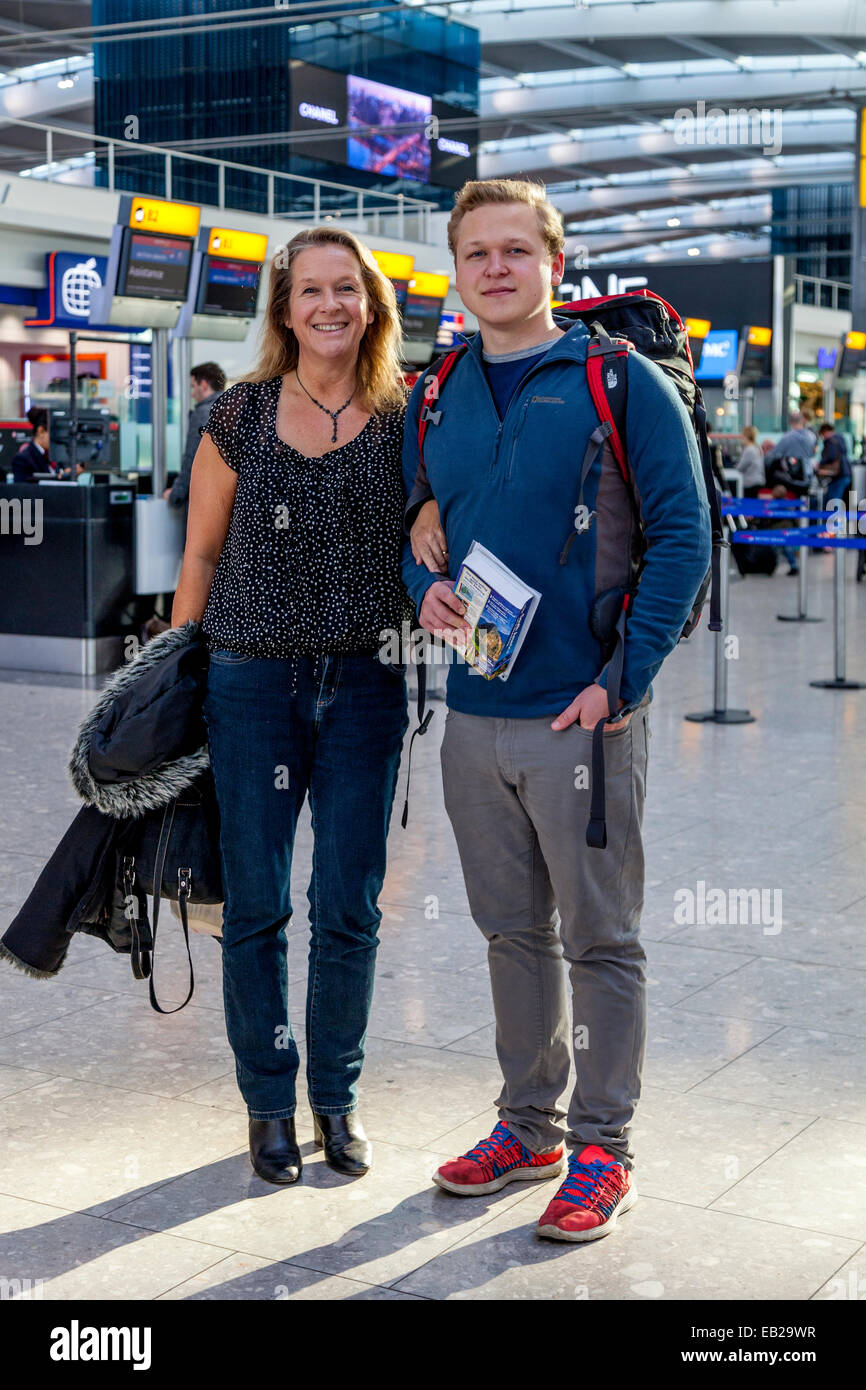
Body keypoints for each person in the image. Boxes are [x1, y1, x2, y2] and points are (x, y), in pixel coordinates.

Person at [402, 178, 711, 1243]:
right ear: (456, 270)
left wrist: (621, 680)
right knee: (506, 933)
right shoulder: (436, 388)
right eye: (475, 252)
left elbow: (683, 532)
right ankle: (526, 1126)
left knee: (600, 940)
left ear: (552, 263)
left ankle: (601, 1149)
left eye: (514, 250)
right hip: (473, 710)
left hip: (581, 717)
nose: (495, 267)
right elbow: (416, 521)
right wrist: (419, 581)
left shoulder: (617, 381)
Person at [170, 227, 410, 1186]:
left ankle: (335, 1100)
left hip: (366, 686)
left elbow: (435, 517)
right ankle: (269, 1105)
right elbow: (199, 555)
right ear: (283, 310)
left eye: (346, 289)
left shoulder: (406, 415)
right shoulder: (235, 416)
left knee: (348, 907)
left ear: (371, 304)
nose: (329, 306)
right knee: (258, 908)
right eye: (309, 291)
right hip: (250, 683)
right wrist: (178, 676)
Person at [164, 362, 227, 528]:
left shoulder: (204, 413)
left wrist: (175, 494)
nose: (193, 394)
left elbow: (192, 457)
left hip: (203, 498)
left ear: (204, 385)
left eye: (194, 387)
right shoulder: (232, 409)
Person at [764, 412, 817, 575]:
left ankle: (791, 556)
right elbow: (813, 454)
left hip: (791, 484)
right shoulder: (810, 436)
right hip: (807, 480)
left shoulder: (788, 437)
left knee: (787, 519)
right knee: (802, 518)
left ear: (790, 422)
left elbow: (773, 456)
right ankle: (801, 548)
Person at [11, 408, 56, 483]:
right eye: (54, 432)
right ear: (41, 431)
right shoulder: (23, 460)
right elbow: (22, 491)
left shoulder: (54, 457)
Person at [815, 422, 851, 504]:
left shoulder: (830, 441)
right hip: (845, 473)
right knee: (834, 499)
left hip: (838, 474)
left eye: (822, 435)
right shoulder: (840, 439)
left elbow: (831, 456)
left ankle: (834, 516)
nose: (823, 437)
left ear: (825, 432)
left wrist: (820, 463)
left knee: (833, 500)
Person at [735, 424, 765, 498]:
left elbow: (740, 468)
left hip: (751, 484)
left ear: (745, 436)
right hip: (759, 481)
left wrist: (735, 465)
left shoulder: (749, 450)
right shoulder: (757, 448)